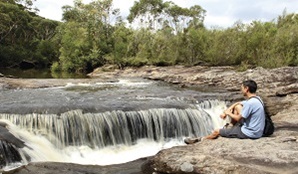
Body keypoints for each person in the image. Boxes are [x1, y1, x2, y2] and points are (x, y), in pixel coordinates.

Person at [185, 80, 265, 144]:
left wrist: (228, 113)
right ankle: (230, 127)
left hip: (249, 133)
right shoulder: (257, 99)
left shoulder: (250, 103)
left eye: (242, 88)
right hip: (258, 131)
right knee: (237, 107)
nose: (241, 90)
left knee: (217, 131)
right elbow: (238, 103)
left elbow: (238, 118)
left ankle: (200, 140)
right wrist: (227, 110)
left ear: (246, 89)